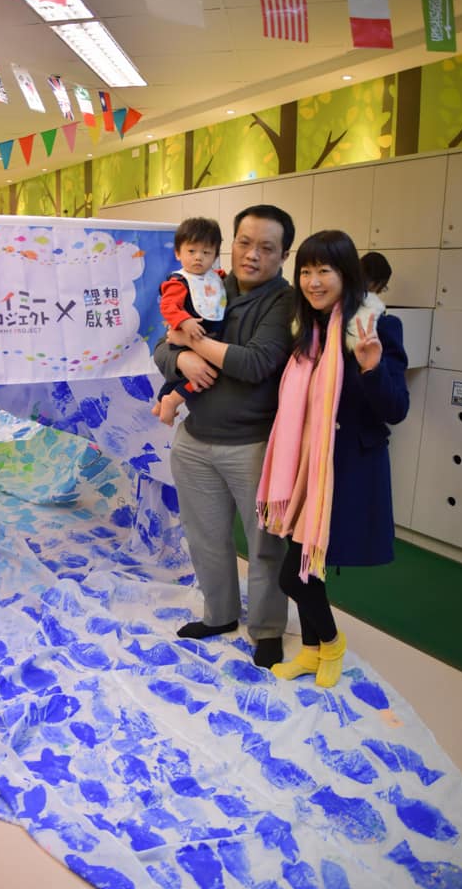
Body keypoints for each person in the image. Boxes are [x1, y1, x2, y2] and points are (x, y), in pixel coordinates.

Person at [256, 230, 409, 687]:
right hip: (304, 467)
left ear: (347, 275)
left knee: (296, 574)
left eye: (325, 270)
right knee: (307, 567)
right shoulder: (308, 330)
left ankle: (331, 643)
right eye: (305, 271)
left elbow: (396, 408)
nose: (314, 281)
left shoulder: (374, 327)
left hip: (345, 470)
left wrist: (371, 367)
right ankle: (311, 651)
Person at [153, 204, 295, 669]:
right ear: (230, 244)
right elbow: (161, 346)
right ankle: (219, 615)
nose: (252, 255)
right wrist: (181, 360)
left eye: (266, 248)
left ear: (284, 255)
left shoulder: (284, 302)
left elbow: (255, 363)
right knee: (205, 537)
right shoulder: (205, 284)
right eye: (244, 243)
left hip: (253, 445)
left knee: (265, 545)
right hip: (194, 440)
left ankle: (268, 629)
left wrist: (191, 342)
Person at [151, 217, 226, 426]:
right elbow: (168, 306)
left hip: (204, 337)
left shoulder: (218, 278)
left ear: (216, 256)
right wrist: (184, 322)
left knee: (180, 376)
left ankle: (160, 403)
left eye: (206, 252)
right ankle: (173, 401)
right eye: (191, 251)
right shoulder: (179, 282)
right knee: (206, 373)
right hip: (188, 336)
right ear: (178, 253)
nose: (198, 258)